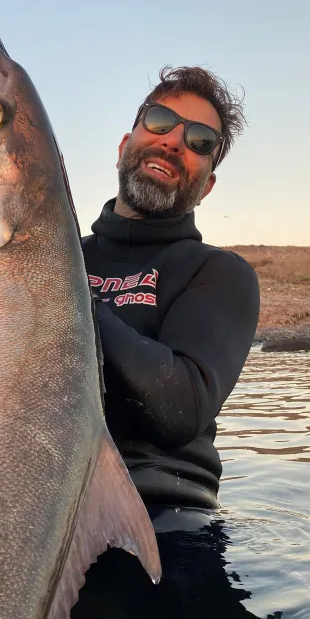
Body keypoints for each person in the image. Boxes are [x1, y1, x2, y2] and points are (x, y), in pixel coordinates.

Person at [81, 65, 260, 518]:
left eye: (201, 142)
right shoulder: (55, 258)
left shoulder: (220, 274)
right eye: (160, 121)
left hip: (165, 526)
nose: (175, 141)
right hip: (31, 510)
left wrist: (75, 301)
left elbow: (180, 408)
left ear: (208, 186)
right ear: (125, 145)